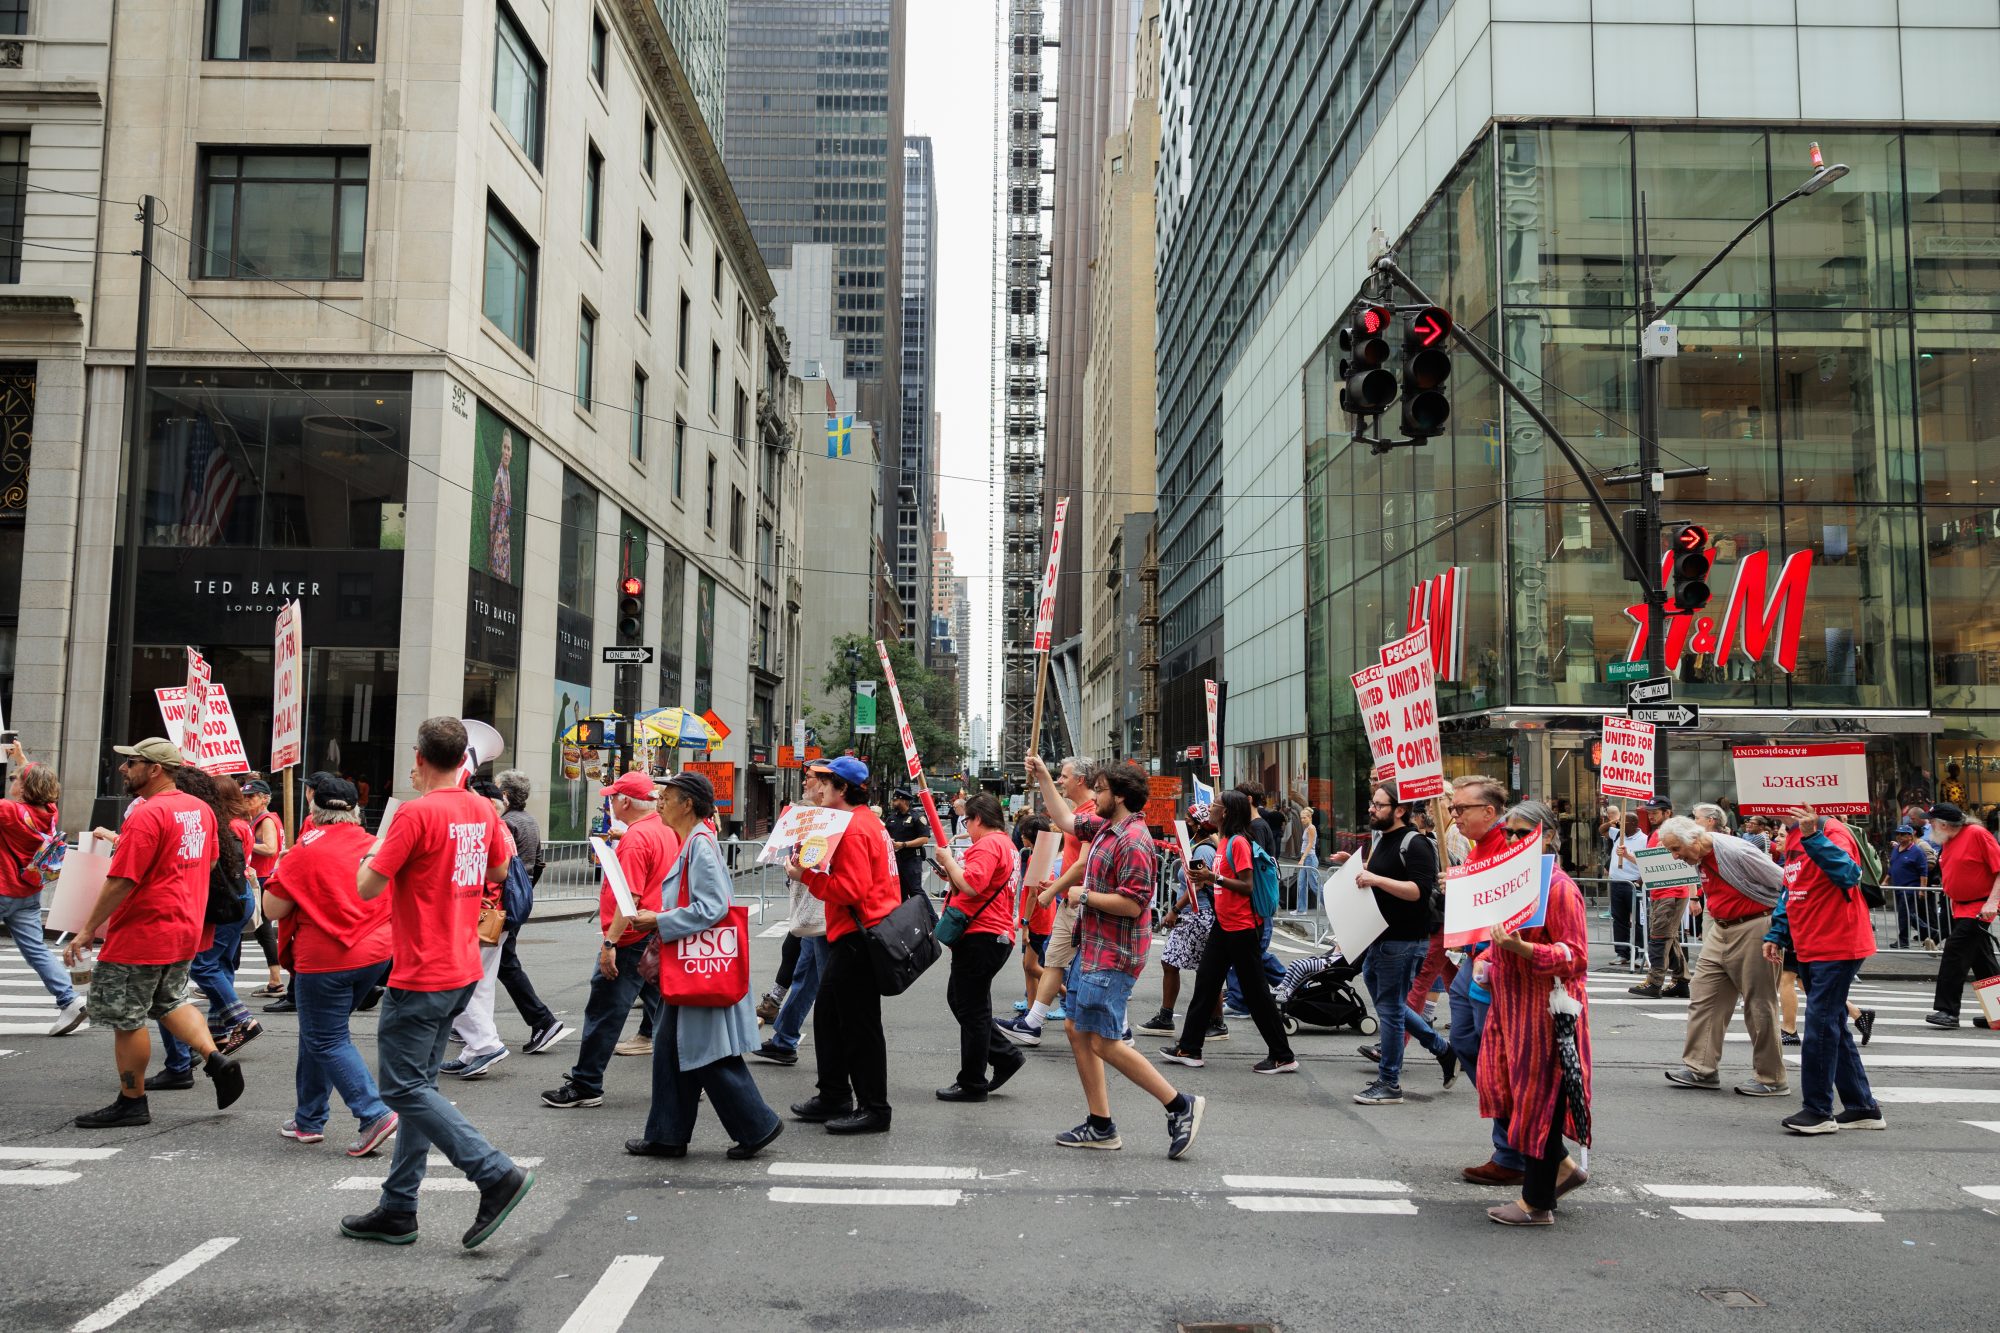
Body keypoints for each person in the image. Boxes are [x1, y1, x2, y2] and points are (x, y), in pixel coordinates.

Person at [342, 717, 533, 1248]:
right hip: (460, 967)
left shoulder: (414, 812)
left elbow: (366, 887)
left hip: (421, 969)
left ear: (420, 757)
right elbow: (497, 872)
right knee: (418, 1091)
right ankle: (399, 1206)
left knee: (401, 1088)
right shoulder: (479, 805)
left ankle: (494, 1172)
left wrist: (373, 852)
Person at [63, 737, 245, 1127]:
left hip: (142, 932)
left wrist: (86, 930)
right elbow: (211, 858)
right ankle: (215, 1058)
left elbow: (121, 880)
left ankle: (132, 1100)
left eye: (132, 763)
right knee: (170, 1000)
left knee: (128, 1018)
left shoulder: (146, 814)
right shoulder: (200, 810)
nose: (124, 769)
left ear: (155, 769)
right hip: (184, 928)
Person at [1028, 754, 1204, 1157]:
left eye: (1102, 789)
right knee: (1076, 1030)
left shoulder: (1134, 841)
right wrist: (1043, 778)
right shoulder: (1108, 825)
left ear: (1120, 796)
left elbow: (1135, 904)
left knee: (1104, 1042)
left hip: (1114, 954)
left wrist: (1083, 894)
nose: (1094, 794)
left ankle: (1180, 1105)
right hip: (1093, 948)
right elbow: (1068, 820)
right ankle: (1101, 1124)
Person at [622, 770, 783, 1160]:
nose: (658, 802)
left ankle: (756, 1124)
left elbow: (712, 908)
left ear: (687, 804)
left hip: (697, 967)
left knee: (704, 1053)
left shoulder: (700, 845)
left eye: (667, 796)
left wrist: (658, 920)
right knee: (673, 1050)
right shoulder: (693, 842)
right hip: (690, 967)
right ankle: (667, 1135)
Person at [262, 776, 400, 1156]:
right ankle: (309, 1118)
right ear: (356, 809)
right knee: (318, 1033)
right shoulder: (374, 844)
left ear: (313, 808)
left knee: (326, 1037)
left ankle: (373, 1113)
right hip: (375, 953)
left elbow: (273, 910)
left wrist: (277, 873)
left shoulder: (303, 851)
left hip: (325, 958)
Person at [1479, 803, 1593, 1227]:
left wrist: (1521, 950)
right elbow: (1501, 937)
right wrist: (1489, 958)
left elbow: (1575, 956)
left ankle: (1536, 1203)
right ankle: (1562, 1171)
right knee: (1510, 1094)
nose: (1510, 840)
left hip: (1544, 1015)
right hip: (1509, 1011)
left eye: (1520, 832)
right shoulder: (1515, 885)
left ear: (1546, 837)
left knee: (1540, 1103)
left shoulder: (1559, 889)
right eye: (1506, 832)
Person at [543, 771, 679, 1108]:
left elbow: (628, 897)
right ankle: (693, 1076)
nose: (610, 802)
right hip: (656, 932)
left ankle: (586, 1084)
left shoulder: (637, 838)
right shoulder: (664, 828)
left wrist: (609, 944)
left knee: (605, 1011)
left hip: (631, 938)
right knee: (666, 1010)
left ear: (625, 801)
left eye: (613, 796)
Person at [785, 756, 902, 1134]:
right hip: (860, 932)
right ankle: (834, 1094)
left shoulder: (853, 828)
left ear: (842, 789)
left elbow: (850, 890)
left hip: (859, 936)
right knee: (831, 1018)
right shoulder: (867, 822)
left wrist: (806, 876)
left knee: (858, 1025)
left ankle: (874, 1108)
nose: (816, 788)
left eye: (824, 783)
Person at [1762, 803, 1884, 1136]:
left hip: (1838, 942)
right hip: (1811, 942)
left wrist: (1813, 835)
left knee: (1821, 1024)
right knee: (1832, 1025)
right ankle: (1862, 1107)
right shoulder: (1794, 837)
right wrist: (1778, 933)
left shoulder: (1830, 831)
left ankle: (1818, 1110)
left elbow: (1848, 874)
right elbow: (1792, 891)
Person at [1157, 789, 1297, 1074]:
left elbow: (1247, 886)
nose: (1210, 808)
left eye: (1215, 805)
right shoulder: (1222, 842)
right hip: (1225, 926)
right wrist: (1206, 880)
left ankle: (1282, 1055)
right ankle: (1189, 1048)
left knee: (1256, 994)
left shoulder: (1239, 843)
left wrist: (1213, 877)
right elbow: (1222, 883)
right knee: (1206, 985)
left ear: (1227, 813)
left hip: (1243, 929)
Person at [1654, 815, 1790, 1097]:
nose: (1675, 856)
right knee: (1704, 995)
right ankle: (1700, 1068)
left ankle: (1771, 1077)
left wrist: (1778, 932)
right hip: (1722, 927)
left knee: (1759, 1004)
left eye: (1676, 849)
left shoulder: (1735, 850)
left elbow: (1784, 884)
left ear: (1693, 839)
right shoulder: (1699, 856)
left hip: (1756, 925)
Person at [1346, 784, 1456, 1105]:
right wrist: (1359, 869)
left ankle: (1390, 1082)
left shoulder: (1416, 843)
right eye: (1372, 803)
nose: (1371, 809)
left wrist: (1375, 879)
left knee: (1392, 1011)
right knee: (1391, 1006)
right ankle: (1443, 1051)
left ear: (1399, 810)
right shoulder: (1384, 840)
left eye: (1378, 805)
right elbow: (1383, 875)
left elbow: (1418, 891)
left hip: (1404, 941)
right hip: (1380, 938)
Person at [153, 769, 261, 1087]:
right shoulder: (226, 823)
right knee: (218, 966)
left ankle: (239, 1019)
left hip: (220, 905)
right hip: (232, 902)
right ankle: (214, 1032)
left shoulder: (223, 825)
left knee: (198, 969)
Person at [996, 757, 1099, 1046]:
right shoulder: (1079, 812)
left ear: (1080, 780)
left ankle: (1117, 1029)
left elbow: (1082, 865)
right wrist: (1042, 775)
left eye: (1064, 776)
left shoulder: (1093, 813)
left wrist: (1051, 891)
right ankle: (1033, 1022)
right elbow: (1061, 817)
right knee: (1052, 962)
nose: (1060, 781)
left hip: (1084, 904)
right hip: (1069, 902)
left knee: (1091, 968)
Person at [930, 792, 1027, 1101]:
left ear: (978, 819)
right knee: (966, 1002)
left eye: (967, 821)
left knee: (970, 1008)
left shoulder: (988, 844)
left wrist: (947, 860)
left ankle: (973, 1081)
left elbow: (972, 884)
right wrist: (950, 873)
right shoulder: (1006, 845)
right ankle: (1003, 1057)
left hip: (982, 935)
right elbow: (977, 884)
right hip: (990, 934)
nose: (966, 827)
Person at [0, 738, 87, 1034]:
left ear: (23, 789)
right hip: (28, 891)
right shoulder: (49, 812)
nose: (13, 781)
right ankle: (69, 999)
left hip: (2, 887)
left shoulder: (8, 812)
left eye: (16, 779)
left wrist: (22, 766)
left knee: (35, 949)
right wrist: (21, 759)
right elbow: (35, 780)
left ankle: (68, 1000)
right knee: (36, 950)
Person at [440, 778, 515, 1081]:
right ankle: (475, 1049)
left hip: (480, 913)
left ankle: (485, 1044)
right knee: (481, 987)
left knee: (460, 984)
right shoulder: (499, 824)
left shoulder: (485, 825)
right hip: (495, 915)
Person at [495, 769, 567, 1055]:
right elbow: (538, 863)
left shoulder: (506, 823)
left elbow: (502, 866)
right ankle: (468, 1025)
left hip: (503, 900)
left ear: (506, 796)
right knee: (495, 963)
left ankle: (542, 1020)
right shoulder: (529, 821)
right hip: (518, 899)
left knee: (503, 963)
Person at [1140, 805, 1223, 1039]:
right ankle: (1171, 1017)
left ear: (1197, 824)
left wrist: (1174, 910)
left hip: (1199, 915)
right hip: (1195, 915)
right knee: (1182, 965)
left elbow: (1198, 884)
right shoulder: (1198, 847)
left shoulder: (1203, 851)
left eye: (1188, 819)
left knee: (1198, 969)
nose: (1184, 822)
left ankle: (1208, 1021)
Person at [752, 813, 826, 1066]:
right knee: (804, 980)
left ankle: (839, 1056)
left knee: (830, 990)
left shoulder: (825, 835)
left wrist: (801, 874)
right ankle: (784, 1039)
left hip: (822, 921)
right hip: (811, 922)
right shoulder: (811, 839)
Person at [1921, 802, 2000, 1029]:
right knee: (1982, 960)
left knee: (1954, 952)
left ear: (1944, 824)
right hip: (1962, 907)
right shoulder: (1949, 839)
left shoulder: (1976, 834)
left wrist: (1993, 901)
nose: (1929, 824)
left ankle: (1947, 1011)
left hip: (1979, 907)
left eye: (1932, 821)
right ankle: (1998, 1012)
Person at [1222, 781, 1285, 1017]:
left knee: (1253, 955)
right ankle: (1243, 996)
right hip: (1253, 902)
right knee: (1250, 955)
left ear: (1247, 800)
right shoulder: (1254, 826)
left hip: (1255, 903)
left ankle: (1245, 999)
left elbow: (1250, 866)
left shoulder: (1256, 827)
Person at [1631, 797, 1690, 997]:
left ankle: (1654, 982)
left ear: (1668, 813)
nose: (1651, 815)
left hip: (1670, 893)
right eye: (1649, 811)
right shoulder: (1657, 834)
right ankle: (1681, 981)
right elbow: (1652, 864)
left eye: (1656, 811)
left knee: (1659, 938)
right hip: (1662, 891)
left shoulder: (1673, 834)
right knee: (1668, 938)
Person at [242, 778, 287, 998]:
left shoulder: (266, 820)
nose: (247, 800)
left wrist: (243, 842)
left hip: (260, 878)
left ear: (264, 799)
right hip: (260, 877)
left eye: (251, 796)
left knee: (262, 929)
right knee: (261, 929)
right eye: (245, 796)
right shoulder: (261, 818)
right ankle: (275, 980)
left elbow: (270, 848)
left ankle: (276, 980)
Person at [1010, 812, 1056, 1017]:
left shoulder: (1037, 856)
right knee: (1028, 967)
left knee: (1030, 965)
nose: (1020, 836)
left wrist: (1025, 924)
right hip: (1040, 916)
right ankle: (1032, 1010)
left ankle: (1067, 993)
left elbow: (1032, 895)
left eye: (1024, 832)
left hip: (1037, 918)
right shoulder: (1042, 853)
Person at [1885, 822, 1935, 950]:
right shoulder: (1896, 849)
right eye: (1898, 834)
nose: (1900, 837)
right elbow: (1893, 867)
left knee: (1905, 914)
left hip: (1910, 887)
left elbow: (1923, 872)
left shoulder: (1917, 851)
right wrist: (1886, 881)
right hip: (1898, 887)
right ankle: (1930, 932)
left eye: (1903, 834)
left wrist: (1922, 889)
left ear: (1910, 836)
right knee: (1908, 914)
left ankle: (1904, 940)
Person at [1607, 809, 1645, 968]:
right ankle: (1622, 952)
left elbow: (1646, 862)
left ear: (1635, 824)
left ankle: (1639, 952)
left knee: (1638, 921)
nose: (1621, 825)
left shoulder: (1644, 840)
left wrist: (1641, 879)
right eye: (1620, 822)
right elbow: (1602, 830)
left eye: (1624, 822)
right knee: (1619, 919)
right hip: (1616, 883)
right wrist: (1612, 822)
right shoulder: (1618, 834)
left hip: (1632, 884)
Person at [884, 787, 931, 900]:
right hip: (895, 861)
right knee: (900, 892)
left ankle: (932, 917)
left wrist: (903, 844)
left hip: (912, 859)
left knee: (915, 891)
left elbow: (924, 839)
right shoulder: (891, 818)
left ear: (904, 801)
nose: (893, 802)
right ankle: (905, 917)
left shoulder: (917, 817)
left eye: (895, 800)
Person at [1294, 804, 1321, 911]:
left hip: (1309, 858)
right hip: (1306, 858)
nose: (1302, 820)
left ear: (1310, 817)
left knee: (1314, 885)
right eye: (1301, 818)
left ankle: (1327, 903)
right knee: (1301, 884)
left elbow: (1310, 844)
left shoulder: (1311, 828)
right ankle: (1301, 909)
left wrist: (1302, 858)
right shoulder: (1307, 828)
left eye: (1304, 817)